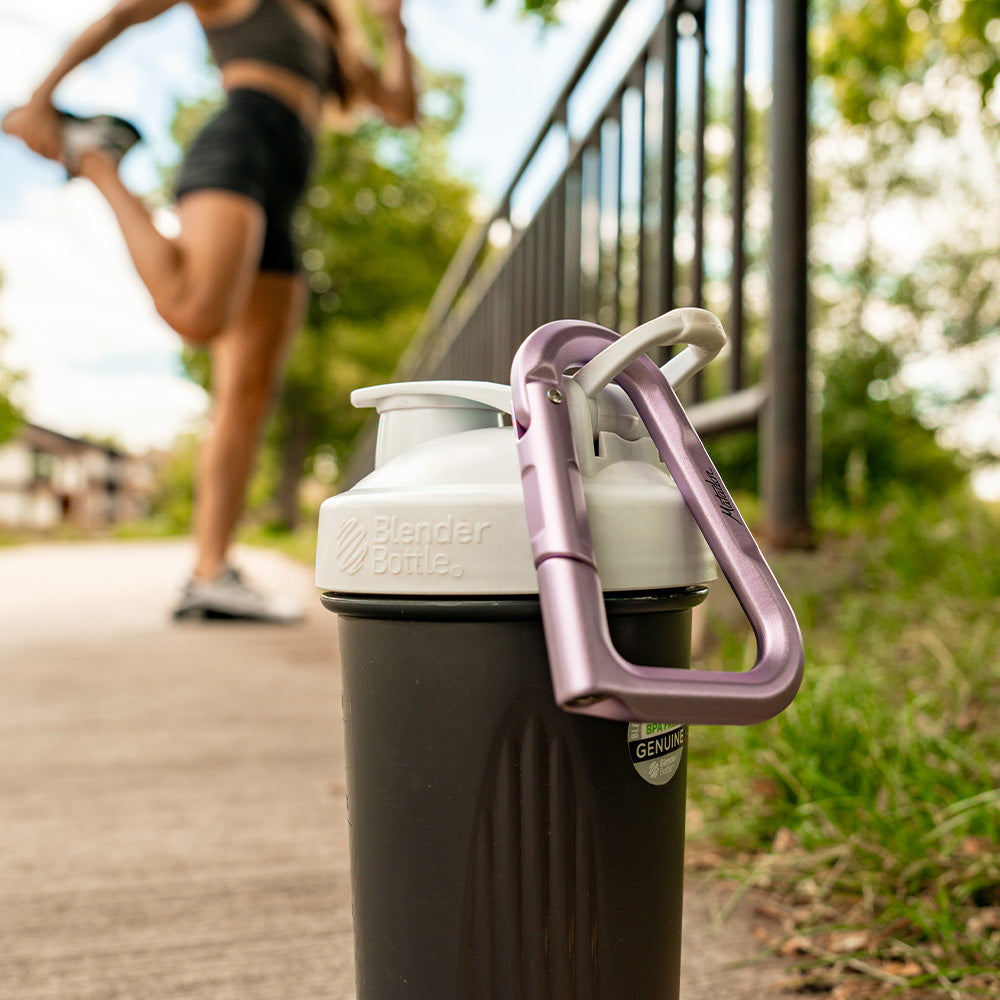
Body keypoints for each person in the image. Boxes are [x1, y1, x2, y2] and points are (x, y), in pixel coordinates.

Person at [3, 0, 417, 622]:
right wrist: (43, 96)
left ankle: (210, 574)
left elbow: (401, 109)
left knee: (248, 393)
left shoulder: (331, 25)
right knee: (195, 313)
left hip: (286, 184)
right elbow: (121, 17)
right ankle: (96, 160)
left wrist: (391, 24)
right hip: (239, 145)